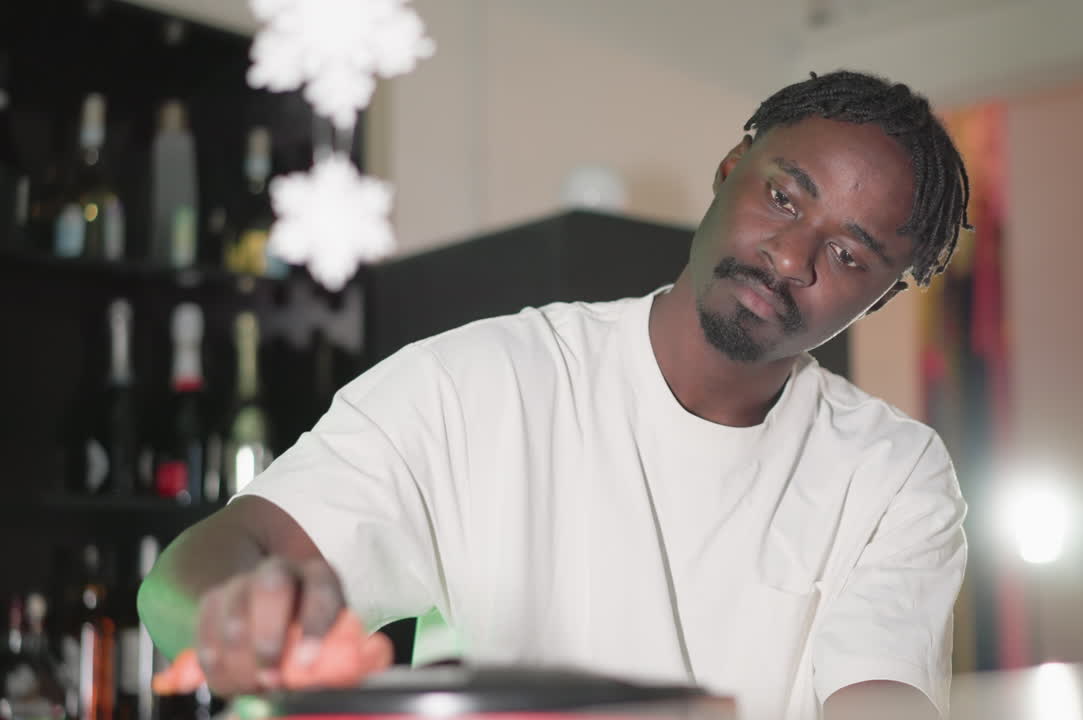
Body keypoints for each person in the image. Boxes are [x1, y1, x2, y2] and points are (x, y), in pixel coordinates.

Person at [139, 69, 971, 720]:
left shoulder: (893, 472)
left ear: (883, 298)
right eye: (782, 197)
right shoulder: (479, 384)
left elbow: (880, 693)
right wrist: (237, 616)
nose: (793, 257)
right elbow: (190, 571)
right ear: (728, 172)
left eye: (851, 256)